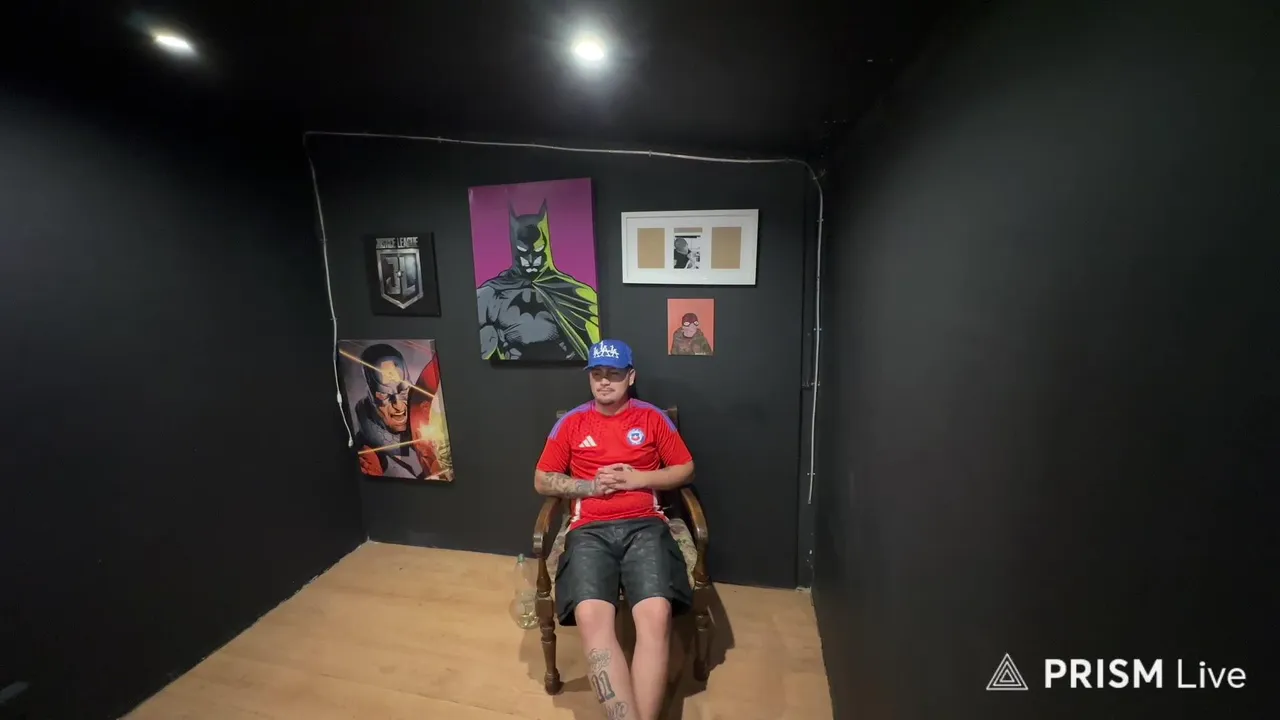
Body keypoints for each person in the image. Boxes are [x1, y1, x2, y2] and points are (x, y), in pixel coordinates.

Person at [534, 339, 695, 720]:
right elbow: (542, 479)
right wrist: (590, 487)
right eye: (597, 374)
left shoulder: (652, 418)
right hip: (589, 529)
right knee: (592, 618)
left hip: (646, 525)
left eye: (614, 374)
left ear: (630, 377)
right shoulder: (571, 423)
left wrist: (639, 479)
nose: (604, 381)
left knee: (656, 614)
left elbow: (685, 468)